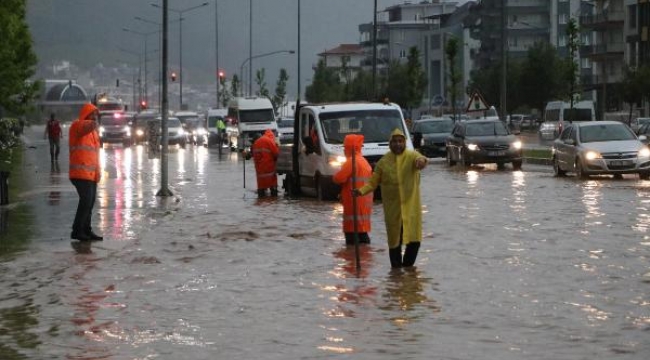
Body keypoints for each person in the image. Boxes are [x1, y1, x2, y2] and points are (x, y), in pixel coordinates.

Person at [354, 128, 428, 268]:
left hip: (411, 208)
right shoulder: (383, 162)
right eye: (394, 141)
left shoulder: (412, 156)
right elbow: (372, 183)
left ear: (404, 143)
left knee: (414, 241)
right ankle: (397, 275)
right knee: (395, 242)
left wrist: (421, 162)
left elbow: (422, 159)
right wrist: (360, 191)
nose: (397, 144)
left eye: (400, 141)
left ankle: (408, 271)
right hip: (393, 210)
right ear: (390, 143)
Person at [69, 103, 103, 241]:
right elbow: (86, 126)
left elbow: (95, 155)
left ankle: (86, 230)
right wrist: (94, 121)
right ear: (86, 115)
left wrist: (98, 173)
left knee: (90, 202)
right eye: (93, 114)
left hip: (91, 174)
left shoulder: (94, 133)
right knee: (86, 201)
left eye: (96, 114)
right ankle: (77, 231)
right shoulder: (77, 126)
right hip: (80, 173)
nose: (95, 117)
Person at [333, 134, 373, 245]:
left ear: (350, 148)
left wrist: (335, 175)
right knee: (362, 236)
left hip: (354, 205)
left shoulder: (351, 162)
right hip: (364, 206)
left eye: (345, 148)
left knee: (352, 240)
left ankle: (352, 260)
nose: (344, 150)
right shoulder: (364, 161)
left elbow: (338, 178)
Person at [251, 129, 279, 197]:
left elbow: (254, 156)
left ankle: (261, 198)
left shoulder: (256, 143)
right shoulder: (269, 141)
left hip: (259, 171)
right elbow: (276, 153)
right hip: (269, 169)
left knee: (261, 191)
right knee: (273, 191)